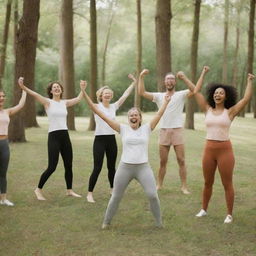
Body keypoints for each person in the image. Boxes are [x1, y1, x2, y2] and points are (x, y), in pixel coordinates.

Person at [80, 76, 171, 229]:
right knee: (116, 196)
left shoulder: (147, 128)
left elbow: (159, 115)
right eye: (131, 115)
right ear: (128, 118)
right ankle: (106, 222)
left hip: (143, 167)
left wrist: (166, 102)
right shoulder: (122, 128)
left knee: (152, 195)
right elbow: (98, 111)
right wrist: (83, 92)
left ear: (140, 118)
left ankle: (159, 223)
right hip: (125, 168)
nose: (133, 117)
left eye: (136, 115)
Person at [194, 66, 255, 223]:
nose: (217, 95)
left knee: (227, 183)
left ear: (225, 96)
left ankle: (229, 214)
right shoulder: (207, 109)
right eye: (215, 93)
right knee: (208, 182)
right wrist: (203, 73)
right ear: (212, 96)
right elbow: (196, 92)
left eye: (221, 93)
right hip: (209, 149)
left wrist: (249, 81)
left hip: (224, 150)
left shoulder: (230, 112)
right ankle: (204, 209)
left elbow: (246, 99)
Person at [18, 77, 85, 200]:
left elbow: (79, 98)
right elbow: (35, 94)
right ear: (51, 91)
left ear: (61, 90)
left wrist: (82, 89)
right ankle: (38, 190)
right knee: (52, 166)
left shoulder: (64, 102)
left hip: (65, 135)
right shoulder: (47, 102)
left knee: (68, 164)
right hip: (54, 136)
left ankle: (69, 190)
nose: (57, 88)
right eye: (54, 87)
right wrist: (23, 87)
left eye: (58, 87)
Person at [138, 69, 195, 194]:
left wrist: (184, 77)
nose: (170, 81)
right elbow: (141, 92)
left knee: (181, 160)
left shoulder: (180, 94)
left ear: (175, 82)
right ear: (165, 82)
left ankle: (184, 187)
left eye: (172, 79)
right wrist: (141, 76)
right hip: (164, 131)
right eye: (167, 79)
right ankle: (159, 185)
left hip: (177, 131)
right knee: (162, 161)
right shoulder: (159, 96)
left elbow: (194, 89)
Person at [86, 74, 136, 203]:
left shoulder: (114, 106)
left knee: (111, 167)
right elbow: (88, 102)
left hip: (111, 139)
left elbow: (125, 95)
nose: (107, 95)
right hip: (99, 140)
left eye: (109, 93)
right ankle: (90, 193)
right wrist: (82, 90)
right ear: (101, 96)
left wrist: (134, 83)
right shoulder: (97, 107)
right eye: (105, 93)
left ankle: (113, 189)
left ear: (111, 96)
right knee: (97, 167)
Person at [0, 79, 27, 206]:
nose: (1, 98)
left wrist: (24, 89)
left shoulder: (7, 112)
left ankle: (3, 199)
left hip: (4, 144)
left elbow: (21, 105)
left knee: (3, 173)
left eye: (3, 96)